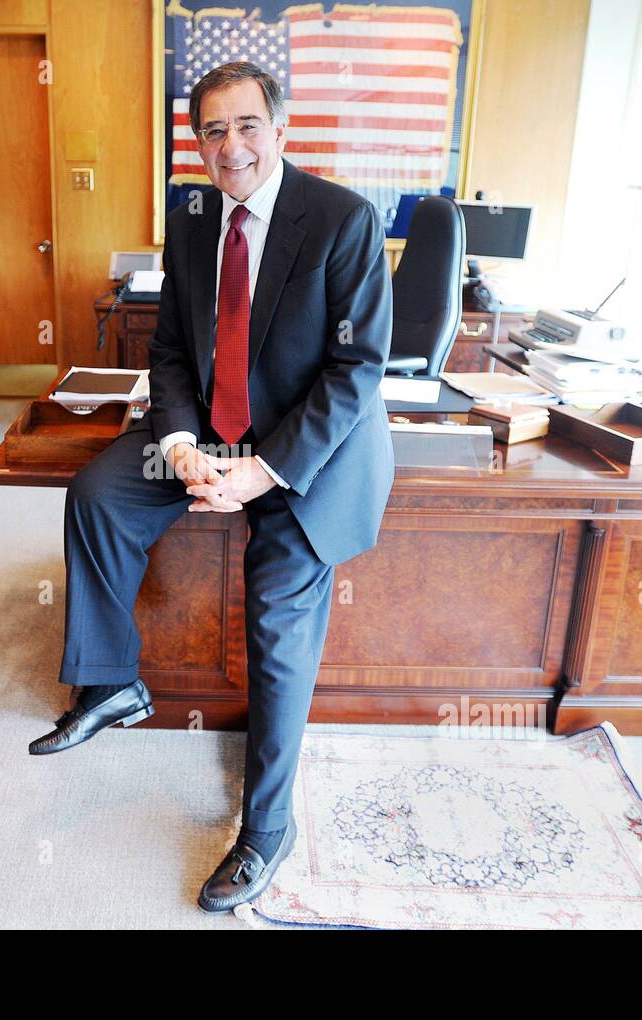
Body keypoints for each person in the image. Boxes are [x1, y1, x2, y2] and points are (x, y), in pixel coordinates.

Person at [28, 60, 394, 913]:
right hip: (214, 433)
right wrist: (186, 446)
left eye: (247, 125)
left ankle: (269, 828)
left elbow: (357, 370)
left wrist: (262, 472)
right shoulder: (192, 217)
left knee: (276, 610)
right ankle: (112, 681)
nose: (230, 147)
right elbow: (172, 350)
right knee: (101, 494)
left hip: (309, 449)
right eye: (212, 131)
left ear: (281, 128)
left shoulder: (342, 218)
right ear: (196, 143)